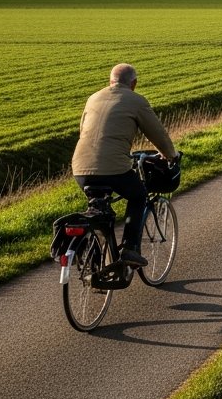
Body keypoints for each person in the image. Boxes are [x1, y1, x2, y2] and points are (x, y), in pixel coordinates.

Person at [71, 63, 177, 267]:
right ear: (134, 83)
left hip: (80, 167)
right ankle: (130, 248)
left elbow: (84, 130)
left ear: (110, 81)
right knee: (138, 195)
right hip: (113, 168)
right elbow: (158, 134)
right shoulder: (136, 101)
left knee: (99, 208)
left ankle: (96, 258)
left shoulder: (93, 98)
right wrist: (170, 155)